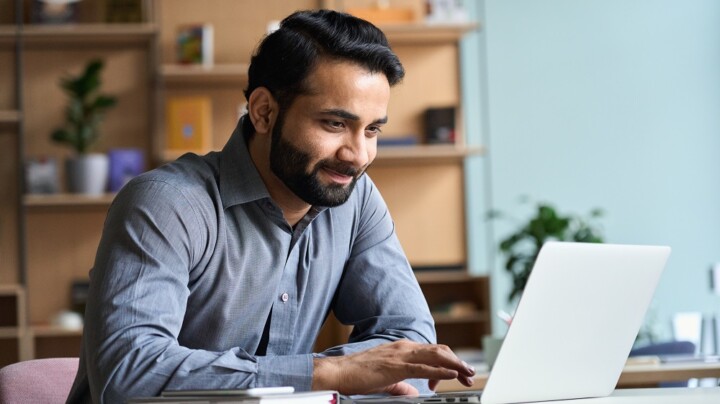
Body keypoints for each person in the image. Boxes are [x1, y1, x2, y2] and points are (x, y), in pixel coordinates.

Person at [67, 9, 475, 403]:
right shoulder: (166, 204)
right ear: (264, 112)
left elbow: (411, 342)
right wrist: (326, 375)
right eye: (334, 124)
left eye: (371, 130)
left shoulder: (356, 198)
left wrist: (353, 376)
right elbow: (129, 373)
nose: (357, 154)